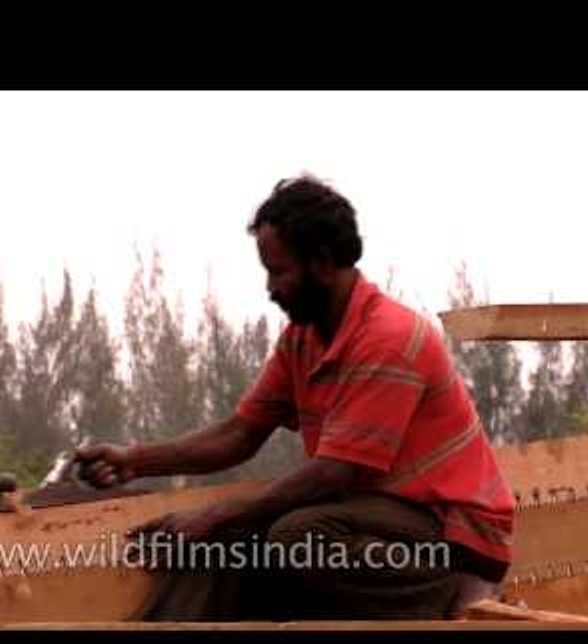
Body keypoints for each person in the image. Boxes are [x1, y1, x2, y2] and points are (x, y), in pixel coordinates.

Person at [75, 175, 514, 621]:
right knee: (220, 544)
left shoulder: (389, 338)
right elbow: (239, 433)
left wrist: (213, 515)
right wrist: (135, 461)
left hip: (449, 533)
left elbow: (333, 473)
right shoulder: (302, 340)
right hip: (372, 520)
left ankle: (446, 594)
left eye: (278, 271)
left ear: (322, 263)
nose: (270, 289)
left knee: (296, 535)